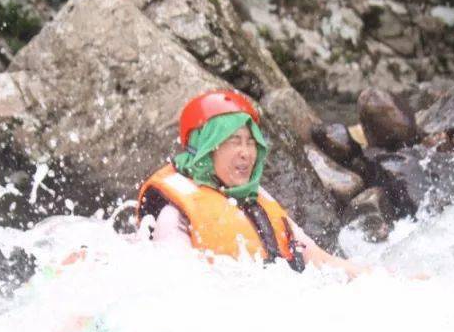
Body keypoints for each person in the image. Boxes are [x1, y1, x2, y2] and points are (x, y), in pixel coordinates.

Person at [137, 89, 365, 278]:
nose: (246, 153)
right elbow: (176, 291)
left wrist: (376, 278)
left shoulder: (258, 199)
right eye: (234, 142)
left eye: (251, 142)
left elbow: (319, 260)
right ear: (205, 149)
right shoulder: (174, 216)